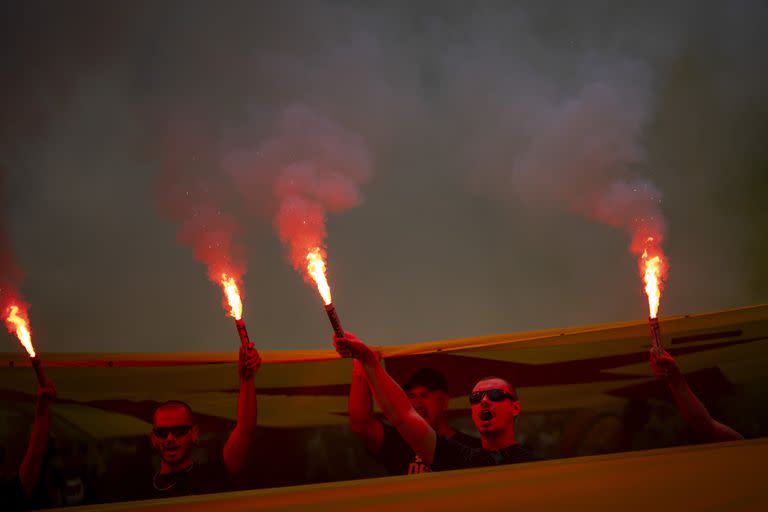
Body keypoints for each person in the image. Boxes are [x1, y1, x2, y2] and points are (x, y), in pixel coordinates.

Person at [336, 332, 537, 471]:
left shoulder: (533, 463)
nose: (484, 401)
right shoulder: (461, 456)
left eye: (495, 395)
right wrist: (365, 363)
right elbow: (401, 416)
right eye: (475, 398)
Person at [142, 342, 261, 499]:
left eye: (179, 431)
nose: (170, 438)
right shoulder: (138, 489)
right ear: (153, 438)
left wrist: (246, 378)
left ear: (194, 434)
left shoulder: (211, 475)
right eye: (163, 432)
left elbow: (245, 429)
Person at [349, 357, 480, 475]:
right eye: (411, 396)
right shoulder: (397, 442)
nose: (417, 404)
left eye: (425, 395)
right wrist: (360, 368)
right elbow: (361, 425)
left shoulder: (471, 447)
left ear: (444, 401)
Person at [650, 349, 742, 442]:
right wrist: (674, 378)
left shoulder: (743, 449)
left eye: (663, 414)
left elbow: (706, 427)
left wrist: (675, 379)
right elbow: (707, 426)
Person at [1, 377, 56, 511]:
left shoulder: (10, 492)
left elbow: (35, 454)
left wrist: (42, 409)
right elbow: (35, 454)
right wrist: (42, 409)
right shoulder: (11, 492)